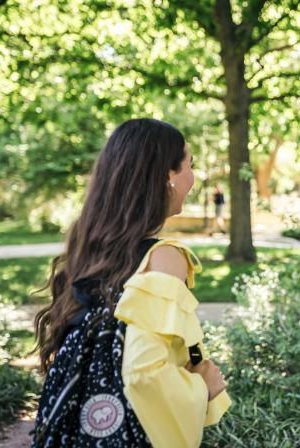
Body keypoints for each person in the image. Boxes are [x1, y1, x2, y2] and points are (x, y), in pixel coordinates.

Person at [32, 118, 231, 447]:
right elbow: (145, 373)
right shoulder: (163, 258)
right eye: (189, 165)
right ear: (168, 175)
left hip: (73, 422)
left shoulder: (92, 246)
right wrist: (202, 388)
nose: (193, 178)